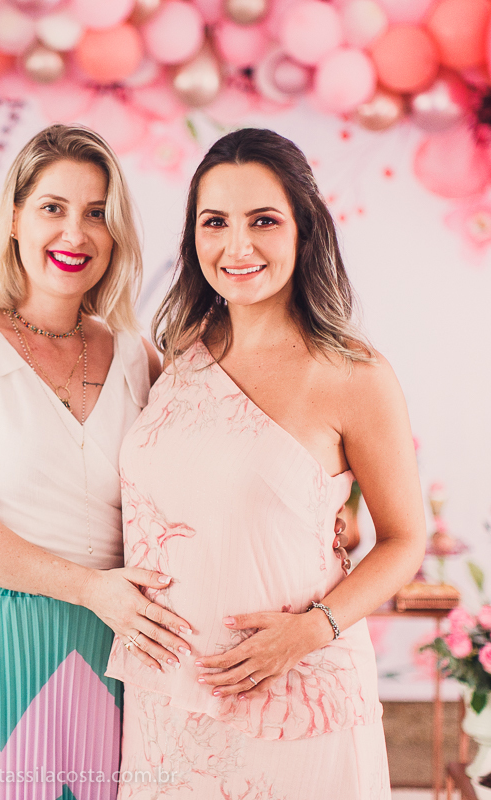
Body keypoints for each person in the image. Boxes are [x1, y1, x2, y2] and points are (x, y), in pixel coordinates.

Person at [106, 128, 426, 799]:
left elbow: (404, 541)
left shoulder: (353, 374)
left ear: (305, 231)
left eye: (263, 221)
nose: (237, 246)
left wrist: (310, 631)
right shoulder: (180, 353)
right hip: (167, 699)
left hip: (296, 699)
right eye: (215, 222)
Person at [0, 124, 192, 799]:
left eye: (96, 213)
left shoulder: (139, 357)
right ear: (14, 219)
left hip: (110, 641)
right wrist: (92, 589)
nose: (75, 233)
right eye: (52, 208)